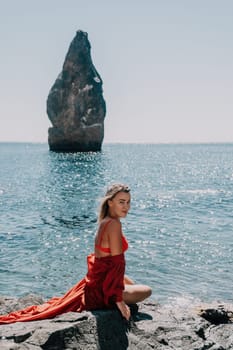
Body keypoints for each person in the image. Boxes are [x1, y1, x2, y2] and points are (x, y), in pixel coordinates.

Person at [0, 183, 152, 324]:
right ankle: (114, 297)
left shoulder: (106, 221)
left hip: (97, 281)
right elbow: (117, 263)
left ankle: (115, 293)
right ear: (110, 202)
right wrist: (118, 300)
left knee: (132, 284)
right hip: (103, 290)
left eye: (128, 202)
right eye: (121, 202)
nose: (126, 206)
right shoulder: (114, 224)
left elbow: (106, 262)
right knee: (147, 290)